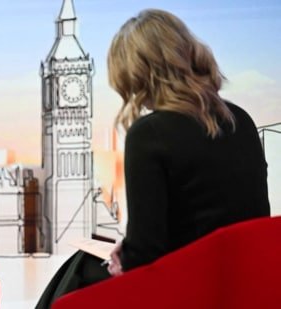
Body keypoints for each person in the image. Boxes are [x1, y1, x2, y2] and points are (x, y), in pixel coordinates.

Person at [36, 8, 270, 308]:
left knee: (79, 269)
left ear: (139, 73)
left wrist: (124, 257)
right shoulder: (240, 119)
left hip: (185, 288)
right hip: (241, 283)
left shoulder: (149, 134)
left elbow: (147, 252)